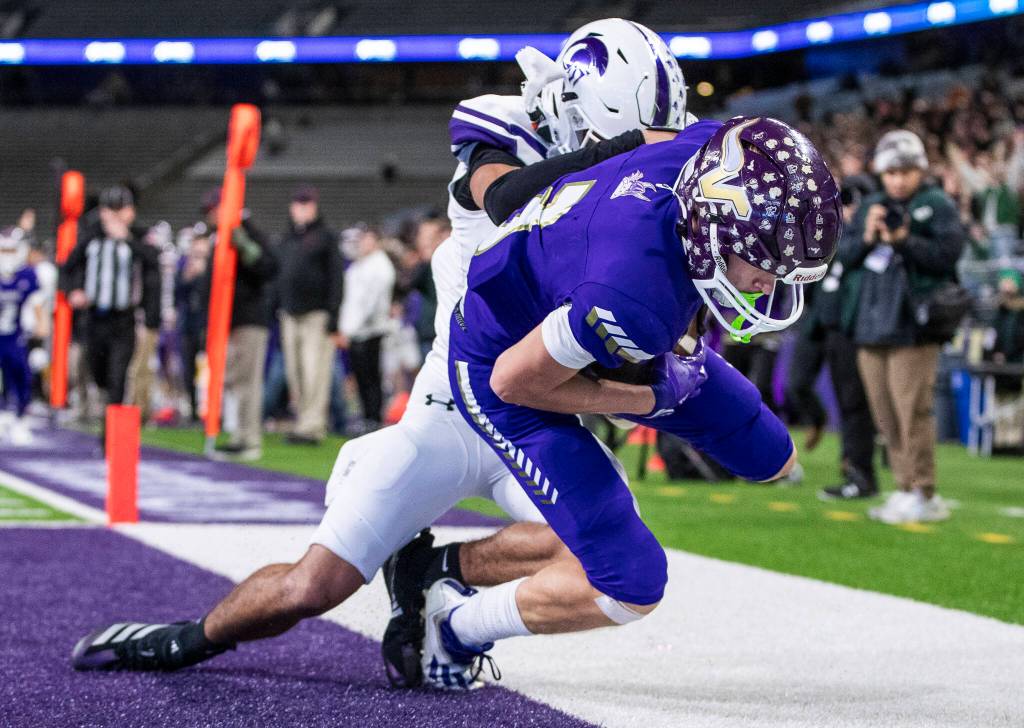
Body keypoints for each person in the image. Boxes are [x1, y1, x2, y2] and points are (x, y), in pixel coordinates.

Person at [67, 18, 692, 686]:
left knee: (609, 554)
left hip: (542, 418)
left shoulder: (631, 193)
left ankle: (436, 580)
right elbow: (509, 199)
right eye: (623, 143)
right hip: (454, 406)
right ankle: (184, 640)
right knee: (310, 587)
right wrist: (630, 148)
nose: (639, 165)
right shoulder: (504, 132)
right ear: (573, 111)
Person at [417, 115, 840, 689]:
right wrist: (650, 397)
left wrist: (675, 357)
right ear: (711, 230)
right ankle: (453, 624)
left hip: (588, 302)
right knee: (630, 583)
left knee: (771, 455)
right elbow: (513, 383)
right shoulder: (630, 293)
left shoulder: (711, 148)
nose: (774, 283)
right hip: (499, 363)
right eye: (766, 262)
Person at [841, 130, 965, 522]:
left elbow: (949, 254)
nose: (897, 180)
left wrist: (905, 240)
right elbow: (843, 255)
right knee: (885, 415)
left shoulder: (936, 203)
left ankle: (924, 491)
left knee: (913, 411)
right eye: (891, 172)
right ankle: (903, 486)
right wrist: (867, 236)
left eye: (905, 171)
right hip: (871, 321)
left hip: (913, 324)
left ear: (919, 170)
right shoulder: (872, 205)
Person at [60, 185, 160, 417]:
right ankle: (106, 409)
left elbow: (154, 265)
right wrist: (73, 291)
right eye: (110, 209)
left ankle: (112, 432)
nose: (115, 215)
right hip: (94, 318)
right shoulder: (90, 236)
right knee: (98, 373)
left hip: (124, 319)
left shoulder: (140, 237)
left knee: (118, 375)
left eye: (120, 208)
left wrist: (127, 239)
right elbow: (66, 268)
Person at [202, 190, 279, 462]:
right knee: (235, 380)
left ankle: (249, 439)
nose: (210, 217)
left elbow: (269, 268)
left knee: (247, 381)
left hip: (248, 319)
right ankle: (239, 435)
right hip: (229, 321)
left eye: (213, 210)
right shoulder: (220, 236)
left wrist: (245, 246)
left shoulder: (249, 232)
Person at [277, 184, 344, 445]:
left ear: (314, 207)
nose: (302, 209)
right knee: (295, 372)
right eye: (298, 204)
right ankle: (302, 420)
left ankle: (313, 425)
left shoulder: (326, 237)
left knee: (314, 370)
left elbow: (336, 278)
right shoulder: (288, 238)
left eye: (307, 204)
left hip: (316, 314)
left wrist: (333, 315)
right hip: (290, 313)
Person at [337, 226, 395, 431]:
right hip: (357, 330)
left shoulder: (380, 266)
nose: (363, 243)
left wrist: (351, 328)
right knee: (362, 378)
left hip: (370, 331)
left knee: (371, 378)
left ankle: (373, 418)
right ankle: (366, 417)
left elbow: (371, 304)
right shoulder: (361, 264)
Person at [0, 227, 46, 444]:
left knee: (22, 375)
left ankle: (20, 417)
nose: (7, 255)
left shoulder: (27, 275)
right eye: (4, 250)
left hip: (15, 336)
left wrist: (41, 323)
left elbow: (37, 302)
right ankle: (4, 414)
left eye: (11, 250)